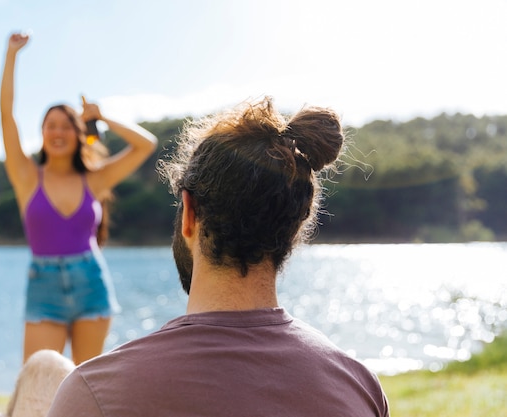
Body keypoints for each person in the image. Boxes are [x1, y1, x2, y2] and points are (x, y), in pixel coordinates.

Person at [46, 97, 390, 416]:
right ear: (294, 227)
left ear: (189, 214)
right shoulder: (359, 389)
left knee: (44, 370)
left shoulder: (92, 393)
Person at [0, 32, 157, 365]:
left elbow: (146, 144)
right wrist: (12, 54)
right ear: (42, 133)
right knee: (39, 386)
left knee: (85, 383)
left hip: (91, 282)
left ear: (78, 134)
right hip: (43, 287)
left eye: (66, 126)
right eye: (50, 125)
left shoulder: (96, 178)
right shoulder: (27, 176)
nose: (57, 132)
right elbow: (6, 116)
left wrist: (100, 117)